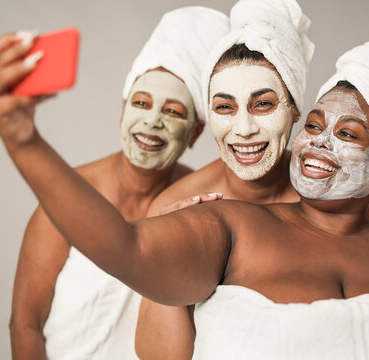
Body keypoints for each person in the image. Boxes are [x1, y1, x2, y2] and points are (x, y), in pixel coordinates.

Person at [0, 25, 369, 358]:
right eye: (314, 124)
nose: (318, 143)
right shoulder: (229, 224)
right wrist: (26, 143)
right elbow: (124, 246)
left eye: (347, 135)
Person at [0, 7, 229, 360]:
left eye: (173, 111)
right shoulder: (70, 195)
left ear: (196, 131)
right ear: (123, 111)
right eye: (141, 103)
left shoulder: (198, 203)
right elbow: (25, 323)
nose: (152, 122)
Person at [135, 0, 314, 357]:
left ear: (294, 106)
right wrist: (171, 256)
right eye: (225, 107)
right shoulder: (176, 205)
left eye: (263, 104)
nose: (243, 130)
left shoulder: (325, 195)